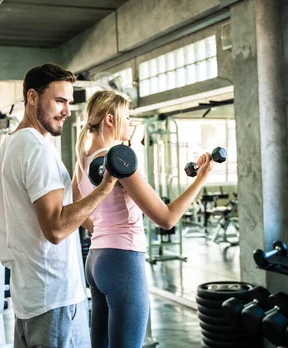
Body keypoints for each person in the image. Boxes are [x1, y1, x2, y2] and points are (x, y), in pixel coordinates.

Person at [73, 90, 215, 348]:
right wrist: (201, 178)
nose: (130, 123)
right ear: (109, 119)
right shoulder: (118, 159)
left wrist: (105, 232)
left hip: (96, 261)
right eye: (126, 117)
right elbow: (166, 218)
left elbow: (78, 212)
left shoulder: (83, 160)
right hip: (123, 263)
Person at [0, 63, 117, 348]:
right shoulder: (37, 149)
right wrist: (106, 186)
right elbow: (56, 229)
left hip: (27, 296)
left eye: (69, 102)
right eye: (59, 101)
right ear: (32, 97)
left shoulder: (9, 144)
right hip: (55, 297)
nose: (67, 111)